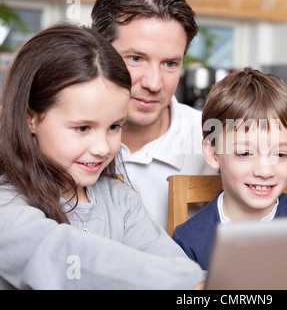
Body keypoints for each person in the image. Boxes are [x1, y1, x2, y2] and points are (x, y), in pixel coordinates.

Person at [0, 23, 204, 289]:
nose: (102, 147)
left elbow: (172, 262)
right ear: (31, 118)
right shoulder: (7, 205)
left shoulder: (120, 199)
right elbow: (65, 257)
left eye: (114, 127)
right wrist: (188, 282)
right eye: (82, 128)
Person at [90, 0, 287, 230]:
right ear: (99, 52)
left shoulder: (217, 135)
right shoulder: (67, 140)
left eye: (170, 63)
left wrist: (275, 153)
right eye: (136, 58)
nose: (154, 84)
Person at [171, 68, 287, 270]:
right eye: (245, 154)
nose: (264, 172)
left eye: (280, 155)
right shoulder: (189, 241)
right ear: (213, 154)